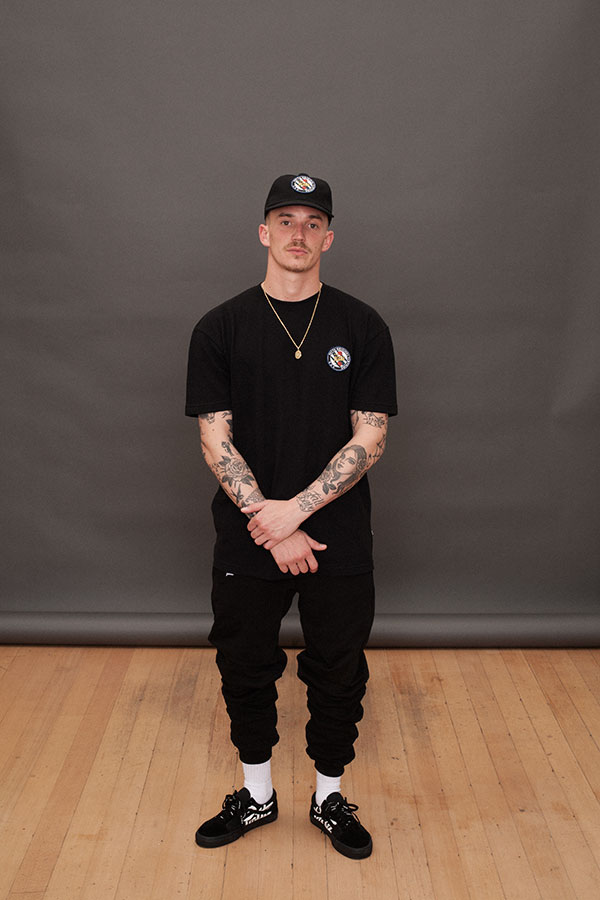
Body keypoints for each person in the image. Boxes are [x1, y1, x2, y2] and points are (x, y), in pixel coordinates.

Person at [185, 173, 397, 860]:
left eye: (312, 222)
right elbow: (215, 439)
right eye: (285, 220)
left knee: (339, 669)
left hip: (338, 535)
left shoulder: (362, 326)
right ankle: (257, 793)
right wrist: (269, 524)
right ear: (263, 232)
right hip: (247, 534)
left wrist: (295, 514)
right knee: (244, 664)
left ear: (328, 238)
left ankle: (330, 796)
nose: (298, 233)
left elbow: (371, 436)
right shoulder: (220, 327)